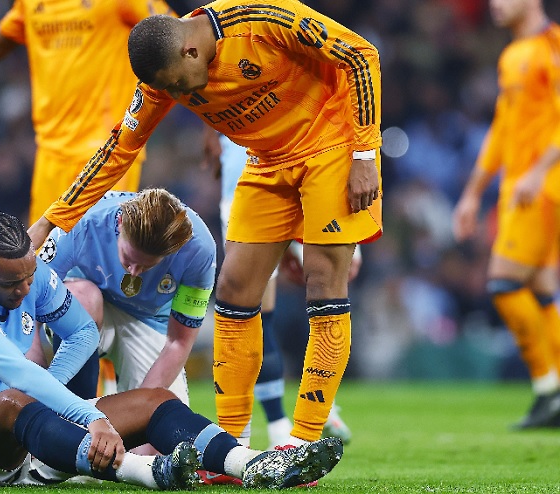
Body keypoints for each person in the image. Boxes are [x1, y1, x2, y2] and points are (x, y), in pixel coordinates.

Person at [29, 0, 382, 451]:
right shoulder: (164, 78)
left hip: (331, 146)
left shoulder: (262, 20)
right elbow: (118, 149)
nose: (175, 95)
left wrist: (364, 153)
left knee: (323, 281)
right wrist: (48, 222)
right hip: (267, 160)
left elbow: (360, 54)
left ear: (190, 52)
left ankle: (302, 441)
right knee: (234, 290)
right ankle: (234, 444)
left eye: (177, 84)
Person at [0, 211, 344, 487]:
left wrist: (54, 392)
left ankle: (253, 465)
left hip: (29, 437)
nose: (25, 290)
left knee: (154, 400)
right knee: (14, 399)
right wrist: (88, 415)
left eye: (29, 276)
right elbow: (17, 372)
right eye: (12, 283)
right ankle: (148, 474)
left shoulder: (31, 277)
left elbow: (83, 334)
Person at [0, 0, 188, 224]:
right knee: (43, 268)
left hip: (108, 149)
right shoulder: (31, 3)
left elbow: (177, 35)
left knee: (96, 264)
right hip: (50, 156)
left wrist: (204, 112)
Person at [203, 130, 357, 450]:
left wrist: (211, 136)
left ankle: (289, 425)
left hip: (282, 170)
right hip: (292, 169)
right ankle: (295, 421)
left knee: (262, 311)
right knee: (264, 309)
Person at [452, 0, 560, 429]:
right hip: (520, 186)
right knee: (541, 290)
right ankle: (553, 389)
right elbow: (501, 129)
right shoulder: (512, 54)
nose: (495, 3)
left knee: (504, 282)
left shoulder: (552, 46)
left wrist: (540, 170)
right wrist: (472, 193)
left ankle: (548, 387)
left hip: (542, 187)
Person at [36, 189, 215, 406]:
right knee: (82, 297)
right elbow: (31, 302)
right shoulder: (83, 220)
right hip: (87, 306)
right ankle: (74, 412)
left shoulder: (199, 252)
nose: (134, 273)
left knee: (160, 419)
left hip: (150, 322)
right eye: (129, 259)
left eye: (147, 266)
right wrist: (34, 381)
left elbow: (179, 341)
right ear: (120, 223)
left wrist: (140, 408)